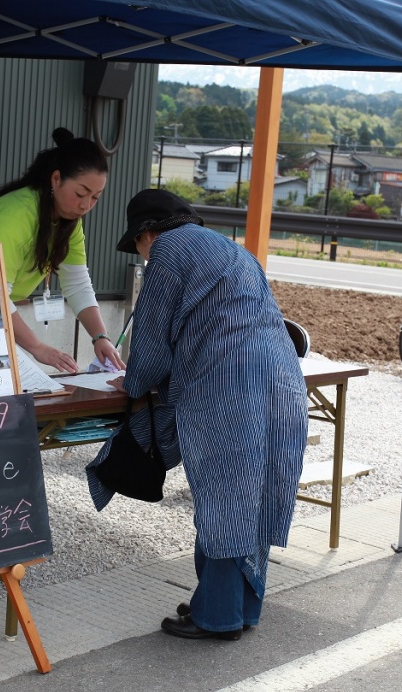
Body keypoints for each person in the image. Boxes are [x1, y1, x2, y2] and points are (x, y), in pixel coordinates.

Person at [87, 189, 308, 640]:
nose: (143, 255)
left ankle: (218, 616)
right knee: (258, 494)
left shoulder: (168, 250)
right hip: (283, 380)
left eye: (139, 246)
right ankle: (238, 604)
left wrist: (131, 381)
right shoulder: (232, 250)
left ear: (147, 233)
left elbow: (151, 333)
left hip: (229, 387)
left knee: (224, 499)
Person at [0, 127, 125, 374]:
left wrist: (100, 337)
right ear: (56, 179)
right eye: (80, 194)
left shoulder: (70, 222)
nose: (86, 205)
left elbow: (77, 283)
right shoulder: (16, 216)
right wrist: (37, 347)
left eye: (96, 197)